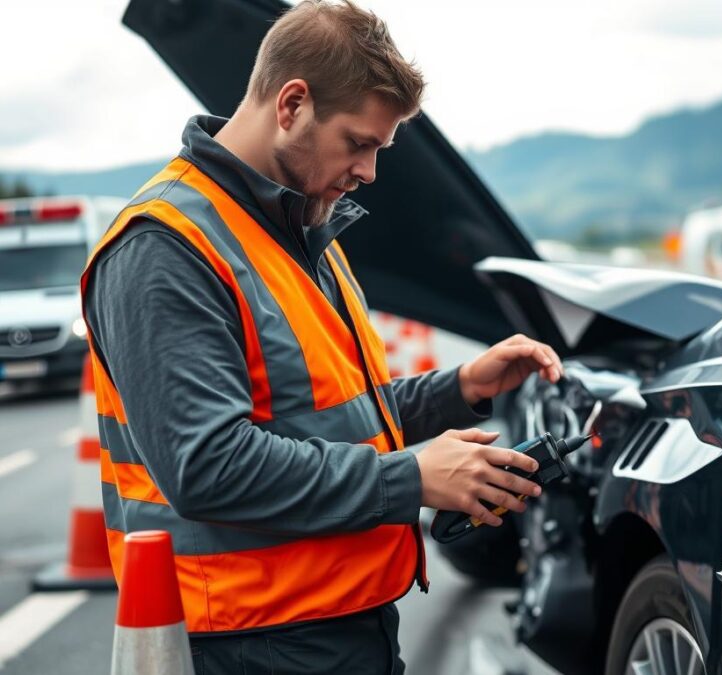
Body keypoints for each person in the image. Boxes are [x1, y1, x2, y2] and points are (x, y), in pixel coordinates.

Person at [80, 1, 563, 672]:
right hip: (252, 642)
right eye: (358, 142)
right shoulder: (166, 248)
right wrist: (412, 477)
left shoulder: (304, 227)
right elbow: (209, 465)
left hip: (340, 622)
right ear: (292, 104)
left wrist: (458, 388)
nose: (369, 171)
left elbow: (327, 419)